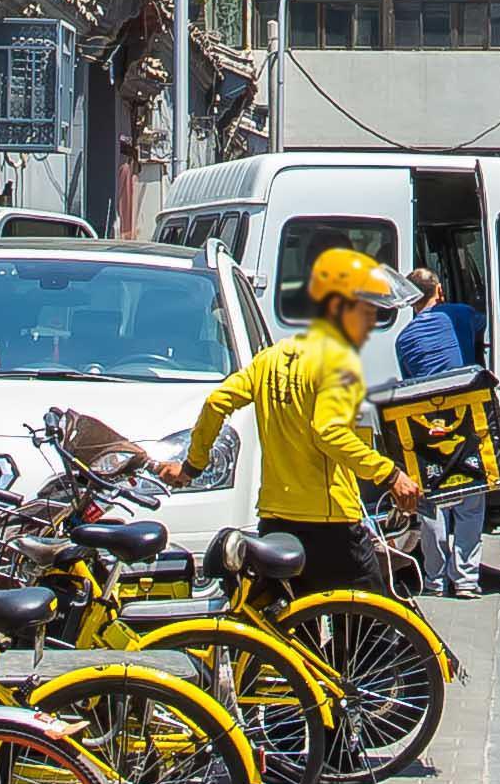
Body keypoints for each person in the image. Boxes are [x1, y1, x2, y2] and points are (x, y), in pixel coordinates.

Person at [163, 245, 418, 595]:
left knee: (294, 631)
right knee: (375, 624)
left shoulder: (272, 358)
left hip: (277, 519)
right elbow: (328, 433)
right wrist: (390, 474)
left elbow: (216, 401)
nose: (371, 322)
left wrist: (192, 466)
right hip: (329, 524)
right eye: (368, 312)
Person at [388, 254, 490, 598]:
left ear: (410, 299)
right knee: (470, 503)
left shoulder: (403, 340)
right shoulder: (459, 315)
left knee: (432, 501)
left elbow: (409, 380)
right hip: (464, 418)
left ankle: (434, 580)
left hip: (425, 425)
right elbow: (481, 327)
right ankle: (465, 579)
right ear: (440, 291)